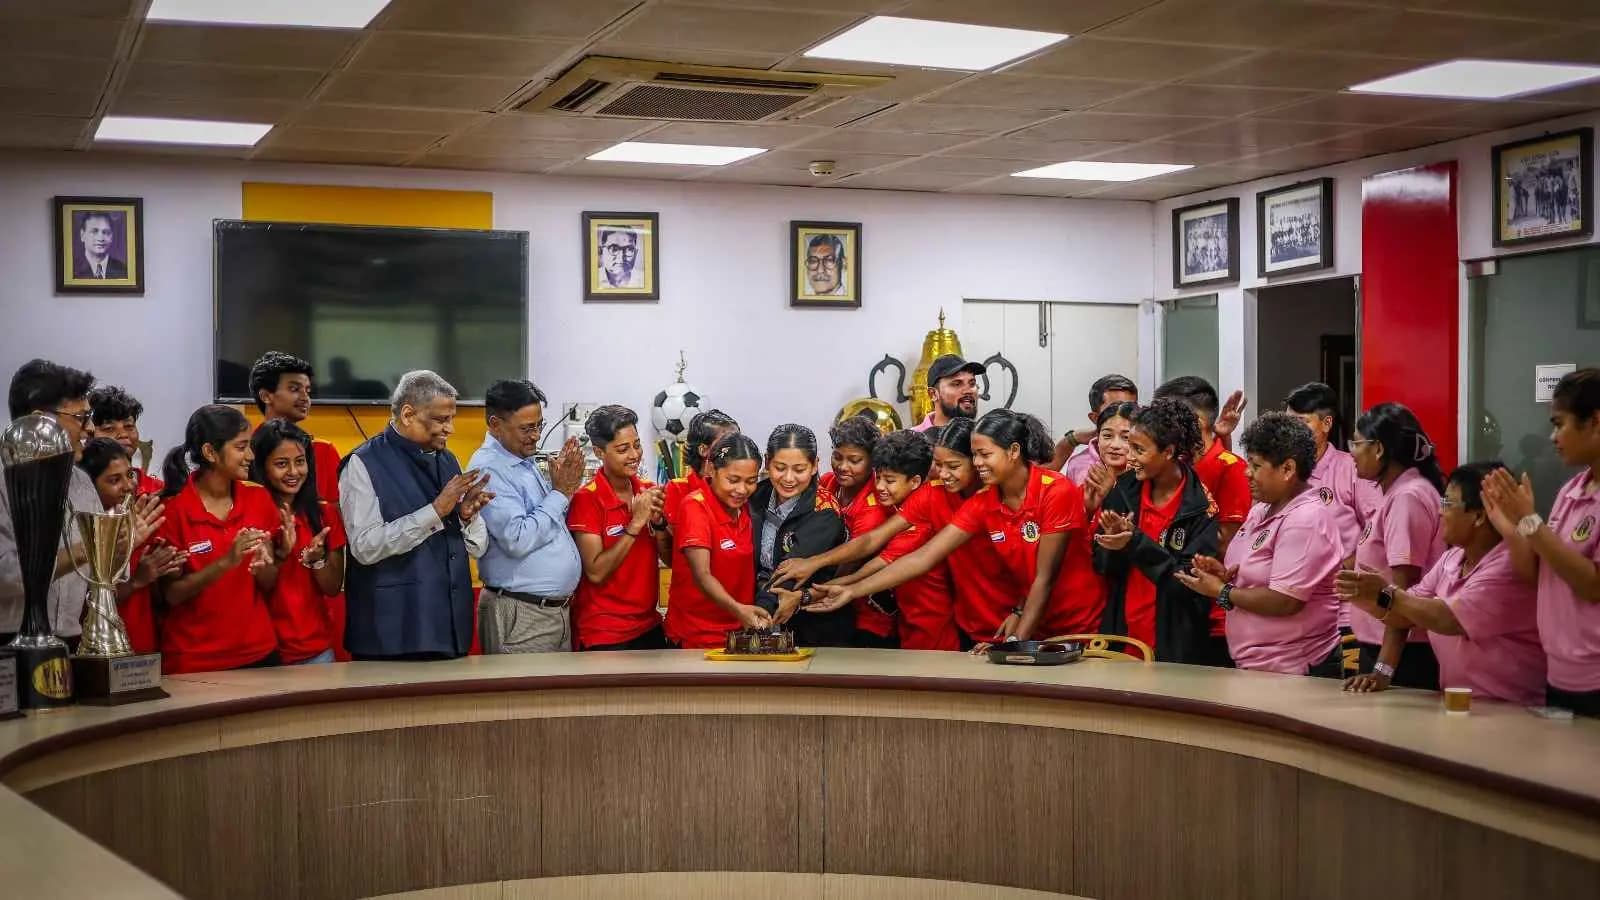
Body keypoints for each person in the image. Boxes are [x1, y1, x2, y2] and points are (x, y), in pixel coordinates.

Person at [813, 411, 1101, 645]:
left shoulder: (1055, 491)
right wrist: (853, 591)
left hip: (1077, 622)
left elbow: (1044, 577)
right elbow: (924, 557)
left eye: (984, 455)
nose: (978, 463)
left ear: (1013, 451)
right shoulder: (984, 500)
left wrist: (1015, 642)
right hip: (1029, 624)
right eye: (974, 455)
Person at [1339, 462, 1542, 703]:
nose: (1440, 511)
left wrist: (1386, 593)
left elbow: (1448, 618)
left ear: (1478, 516)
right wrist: (1366, 595)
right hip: (1460, 705)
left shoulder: (1508, 564)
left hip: (1512, 710)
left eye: (1447, 504)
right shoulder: (1452, 558)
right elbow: (1406, 615)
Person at [1, 360, 160, 646]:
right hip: (8, 641)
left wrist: (120, 544)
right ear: (40, 421)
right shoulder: (4, 482)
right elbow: (6, 577)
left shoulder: (82, 482)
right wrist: (93, 542)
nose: (89, 429)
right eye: (80, 417)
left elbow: (103, 580)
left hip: (74, 640)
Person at [1175, 413, 1343, 677]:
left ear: (1287, 469)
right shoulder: (1261, 509)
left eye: (1255, 465)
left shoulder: (1306, 519)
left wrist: (1221, 591)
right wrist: (1222, 574)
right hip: (1257, 665)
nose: (1246, 472)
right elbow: (1255, 575)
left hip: (1294, 669)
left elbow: (1285, 601)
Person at [340, 371, 491, 660]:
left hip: (450, 632)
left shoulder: (448, 460)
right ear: (408, 414)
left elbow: (477, 547)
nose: (451, 429)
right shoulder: (362, 463)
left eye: (452, 418)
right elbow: (365, 547)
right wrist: (435, 512)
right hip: (391, 636)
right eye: (441, 420)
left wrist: (466, 517)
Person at [1482, 368, 1600, 716]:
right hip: (1559, 673)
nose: (1552, 437)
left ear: (1595, 421)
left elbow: (1592, 584)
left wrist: (1531, 522)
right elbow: (1540, 575)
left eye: (1559, 423)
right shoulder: (1572, 490)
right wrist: (1513, 527)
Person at [155, 406, 284, 673]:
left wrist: (266, 565)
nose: (250, 456)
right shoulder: (173, 511)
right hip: (194, 660)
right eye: (240, 447)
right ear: (210, 452)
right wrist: (227, 561)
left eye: (249, 446)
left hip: (258, 653)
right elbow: (171, 595)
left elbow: (269, 582)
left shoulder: (259, 499)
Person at [1094, 399, 1220, 663]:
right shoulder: (1124, 489)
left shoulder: (1200, 508)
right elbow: (1104, 568)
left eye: (1139, 450)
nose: (1130, 457)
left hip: (1174, 647)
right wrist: (1110, 544)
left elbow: (1190, 586)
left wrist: (1135, 543)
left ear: (1169, 452)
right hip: (1123, 638)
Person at [469, 379, 586, 654]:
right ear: (495, 425)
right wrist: (560, 492)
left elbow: (546, 522)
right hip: (521, 612)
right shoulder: (490, 469)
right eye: (526, 428)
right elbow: (517, 539)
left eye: (539, 425)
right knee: (521, 698)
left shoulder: (521, 459)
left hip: (550, 611)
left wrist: (562, 493)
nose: (535, 436)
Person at [1348, 402, 1446, 690]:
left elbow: (1401, 592)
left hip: (1401, 654)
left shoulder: (1408, 497)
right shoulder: (1399, 492)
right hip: (1385, 646)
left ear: (1378, 449)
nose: (1351, 453)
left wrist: (1383, 669)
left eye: (1357, 443)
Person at [1285, 381, 1381, 672]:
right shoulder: (1285, 471)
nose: (1292, 431)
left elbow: (1376, 526)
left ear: (1326, 423)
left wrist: (1347, 565)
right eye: (1287, 422)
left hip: (1344, 609)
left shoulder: (1349, 468)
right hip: (1298, 610)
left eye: (1301, 422)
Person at [1155, 375, 1250, 664]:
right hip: (1178, 604)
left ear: (1195, 421)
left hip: (1214, 612)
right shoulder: (1175, 467)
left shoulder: (1230, 467)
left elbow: (1227, 543)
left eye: (1167, 419)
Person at [567, 405, 668, 651]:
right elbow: (596, 572)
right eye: (623, 449)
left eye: (637, 445)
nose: (634, 454)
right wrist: (635, 523)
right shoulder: (586, 499)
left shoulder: (647, 489)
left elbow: (669, 557)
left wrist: (659, 523)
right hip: (605, 632)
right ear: (599, 452)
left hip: (648, 624)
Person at [251, 420, 346, 665]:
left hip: (317, 651)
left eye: (300, 462)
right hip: (263, 654)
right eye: (282, 464)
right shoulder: (251, 514)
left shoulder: (325, 515)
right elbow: (254, 588)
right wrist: (281, 553)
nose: (294, 472)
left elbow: (332, 587)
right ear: (262, 467)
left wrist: (317, 561)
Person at [76, 437, 183, 655]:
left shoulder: (139, 519)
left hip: (144, 645)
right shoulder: (79, 531)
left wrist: (170, 566)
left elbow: (165, 594)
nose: (128, 486)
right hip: (98, 648)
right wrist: (136, 580)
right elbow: (86, 605)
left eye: (130, 475)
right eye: (114, 480)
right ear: (89, 485)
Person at [751, 425, 850, 646]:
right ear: (767, 462)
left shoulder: (824, 510)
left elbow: (788, 574)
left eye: (799, 469)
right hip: (765, 616)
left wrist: (757, 613)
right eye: (780, 467)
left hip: (813, 626)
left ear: (815, 465)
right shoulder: (757, 494)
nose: (788, 478)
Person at [665, 432, 767, 648]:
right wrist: (739, 610)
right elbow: (702, 575)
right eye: (733, 480)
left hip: (739, 634)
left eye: (751, 481)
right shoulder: (695, 506)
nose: (741, 490)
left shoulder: (748, 509)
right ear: (711, 469)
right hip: (696, 637)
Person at [821, 415, 894, 647]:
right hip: (832, 602)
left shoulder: (874, 507)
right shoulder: (827, 483)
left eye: (854, 460)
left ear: (872, 461)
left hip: (867, 614)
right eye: (837, 457)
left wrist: (806, 595)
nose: (843, 467)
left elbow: (847, 566)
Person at [248, 351, 343, 508]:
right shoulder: (246, 452)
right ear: (266, 396)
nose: (305, 398)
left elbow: (337, 512)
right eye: (294, 389)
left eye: (307, 390)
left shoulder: (323, 450)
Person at [661, 409, 740, 540]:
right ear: (703, 450)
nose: (737, 450)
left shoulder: (739, 488)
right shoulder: (677, 489)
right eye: (727, 444)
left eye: (738, 443)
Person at [1053, 374, 1138, 476]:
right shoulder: (1082, 468)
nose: (1121, 414)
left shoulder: (1147, 460)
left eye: (1130, 409)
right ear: (1095, 418)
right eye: (1112, 409)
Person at [88, 383, 163, 494]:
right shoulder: (76, 487)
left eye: (129, 426)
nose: (123, 434)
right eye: (109, 428)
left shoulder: (158, 491)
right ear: (89, 434)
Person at [1080, 401, 1137, 515]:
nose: (1115, 445)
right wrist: (1089, 511)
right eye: (1107, 436)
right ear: (1098, 438)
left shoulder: (1148, 486)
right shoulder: (1090, 485)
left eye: (1126, 437)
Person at [909, 355, 981, 432]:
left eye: (972, 383)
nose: (968, 391)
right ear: (933, 394)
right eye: (956, 384)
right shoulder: (909, 440)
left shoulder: (988, 438)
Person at [72, 211, 126, 279]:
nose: (100, 238)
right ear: (82, 235)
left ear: (111, 236)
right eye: (94, 231)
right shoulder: (72, 268)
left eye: (106, 232)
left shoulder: (123, 270)